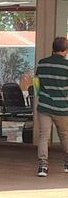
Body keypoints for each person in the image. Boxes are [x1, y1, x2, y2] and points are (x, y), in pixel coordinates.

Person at [34, 36, 68, 177]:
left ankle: (43, 167)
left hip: (44, 106)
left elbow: (36, 85)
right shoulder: (66, 66)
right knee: (65, 136)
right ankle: (67, 164)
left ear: (53, 48)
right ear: (65, 50)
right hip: (62, 107)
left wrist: (42, 95)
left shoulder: (42, 64)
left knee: (43, 136)